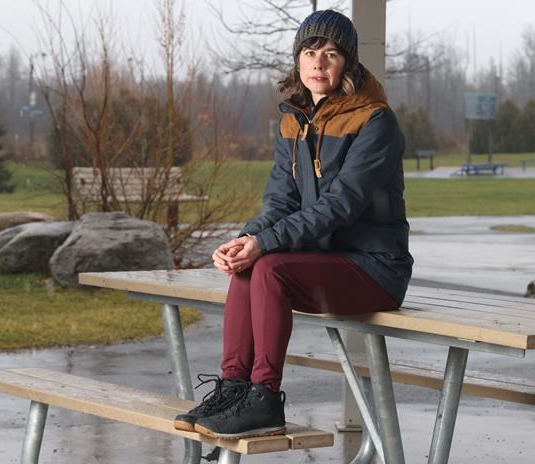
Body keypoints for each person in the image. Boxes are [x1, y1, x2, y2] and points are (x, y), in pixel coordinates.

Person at [174, 9, 413, 440]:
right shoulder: (294, 120)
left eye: (331, 54)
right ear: (297, 59)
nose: (318, 63)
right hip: (322, 260)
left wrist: (265, 244)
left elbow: (341, 206)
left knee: (269, 266)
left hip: (375, 267)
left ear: (348, 63)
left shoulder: (375, 121)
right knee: (251, 262)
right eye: (309, 52)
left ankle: (265, 398)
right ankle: (233, 388)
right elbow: (281, 200)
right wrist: (247, 239)